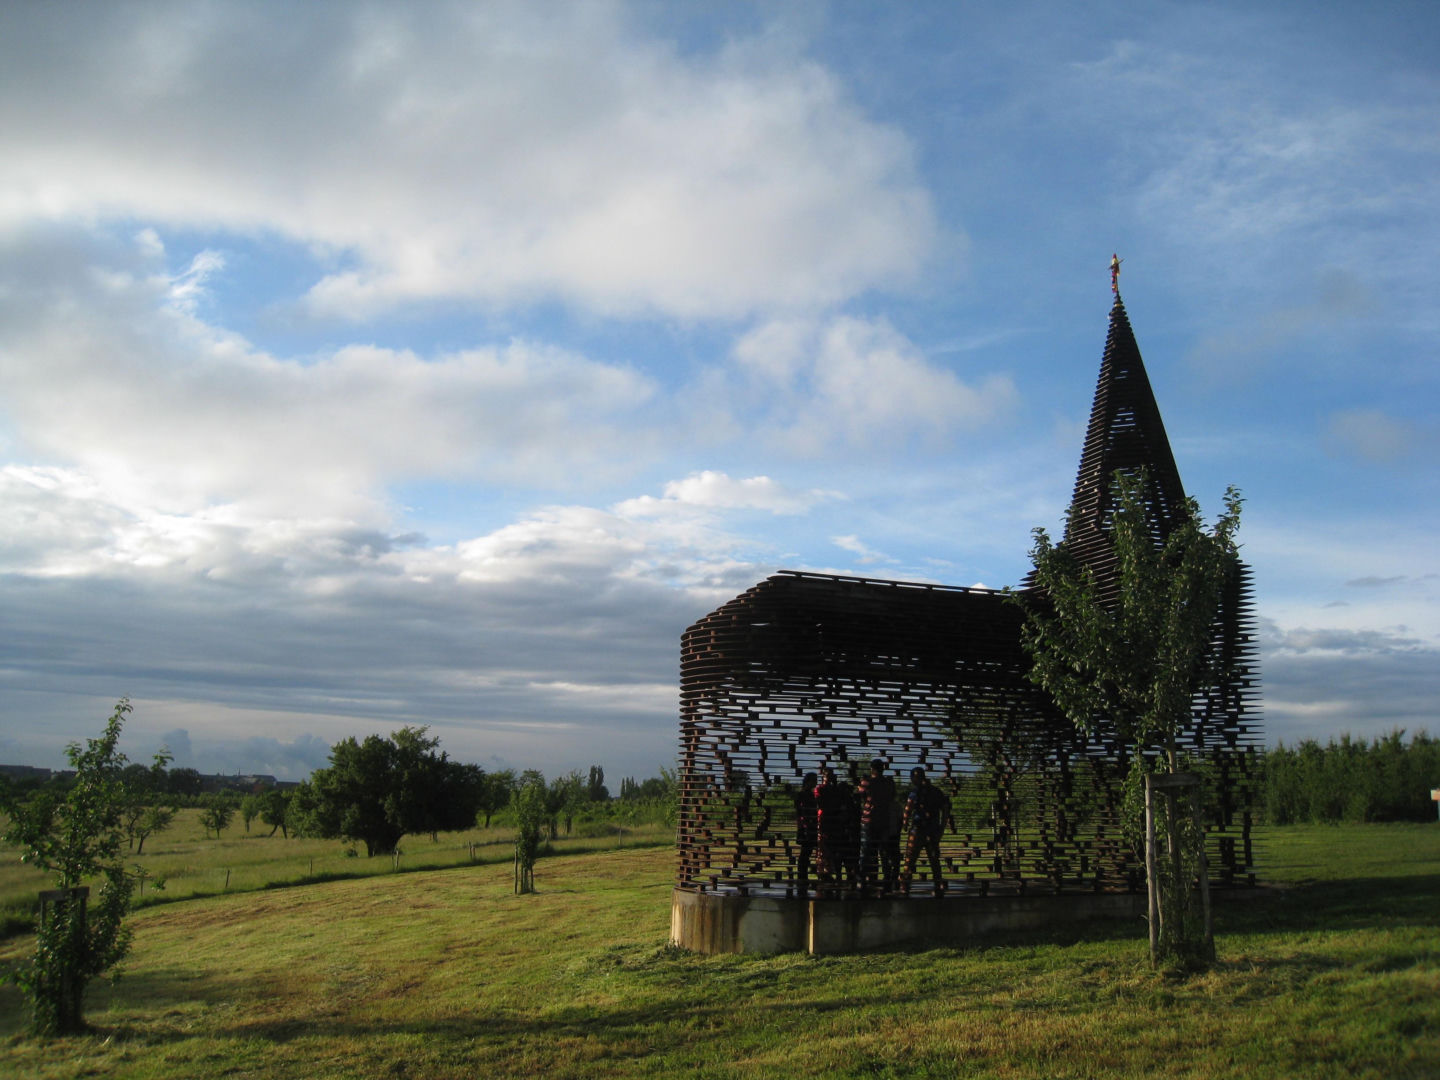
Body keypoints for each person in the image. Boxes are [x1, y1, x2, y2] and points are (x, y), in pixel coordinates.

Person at [901, 766, 952, 898]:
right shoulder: (936, 791)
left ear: (915, 778)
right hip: (933, 829)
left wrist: (905, 823)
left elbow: (908, 808)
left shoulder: (915, 792)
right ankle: (937, 884)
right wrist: (941, 826)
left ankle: (905, 884)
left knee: (910, 858)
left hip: (918, 829)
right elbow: (945, 809)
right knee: (934, 859)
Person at [814, 765, 859, 895]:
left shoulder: (835, 790)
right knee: (825, 851)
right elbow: (822, 803)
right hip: (826, 824)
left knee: (835, 852)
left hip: (834, 825)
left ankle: (833, 876)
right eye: (828, 776)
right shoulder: (821, 789)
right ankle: (826, 875)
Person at [857, 758, 899, 895]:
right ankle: (887, 879)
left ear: (872, 769)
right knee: (884, 852)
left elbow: (860, 794)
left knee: (866, 851)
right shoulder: (889, 783)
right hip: (884, 821)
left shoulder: (867, 782)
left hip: (869, 820)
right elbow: (892, 797)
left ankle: (862, 879)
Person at [793, 772, 818, 898]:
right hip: (807, 828)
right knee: (805, 854)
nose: (815, 783)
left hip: (809, 827)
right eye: (814, 780)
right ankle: (803, 877)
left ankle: (803, 878)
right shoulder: (805, 795)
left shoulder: (807, 795)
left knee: (806, 854)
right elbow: (800, 813)